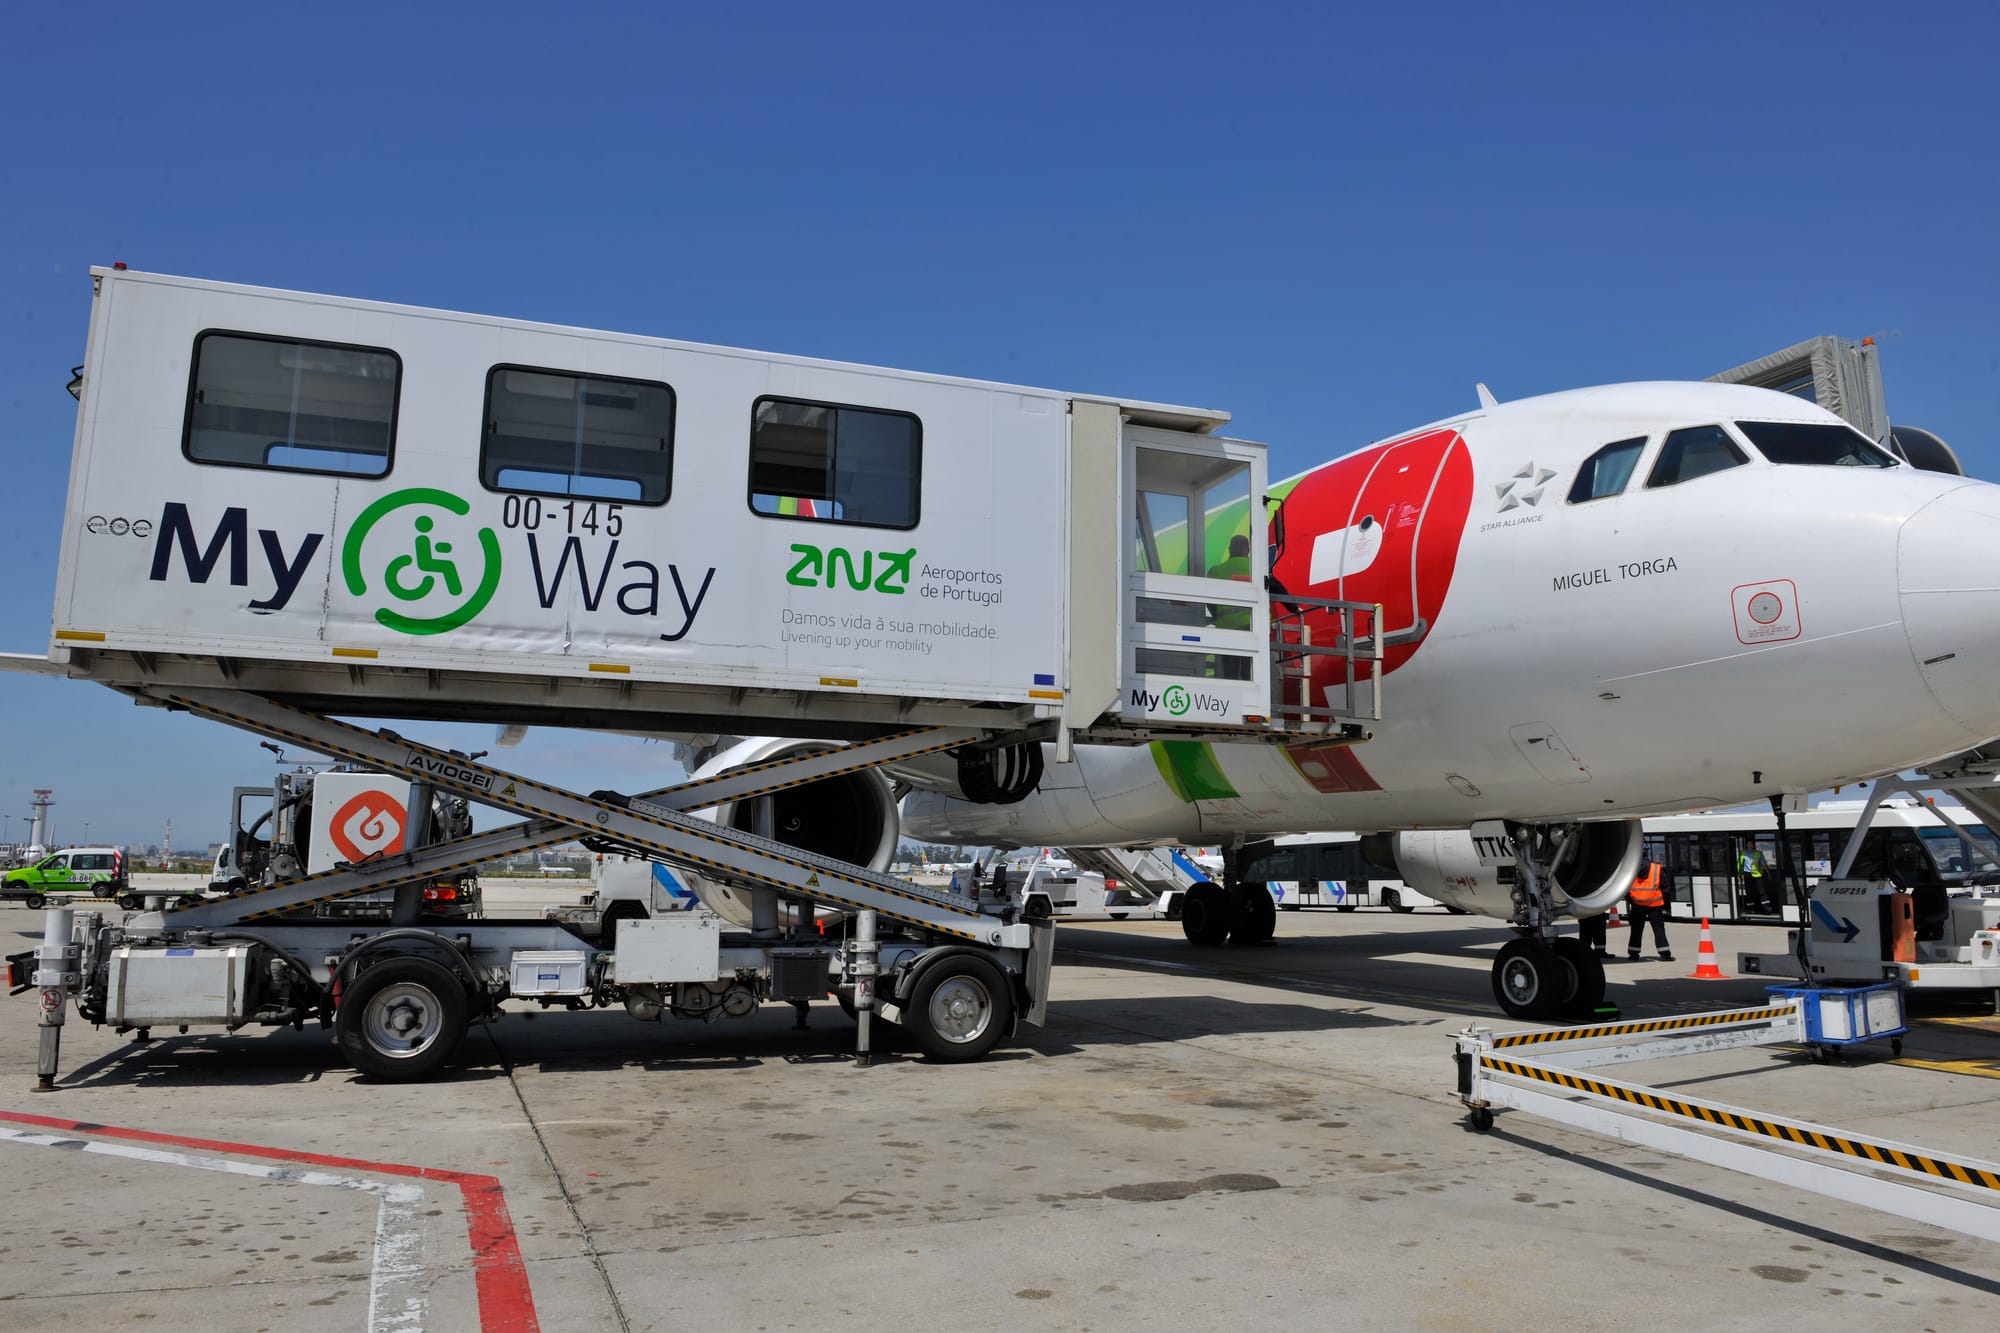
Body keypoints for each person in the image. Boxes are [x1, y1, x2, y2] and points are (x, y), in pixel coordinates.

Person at [1626, 860, 1673, 961]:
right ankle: (1665, 954)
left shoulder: (1630, 868)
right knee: (1659, 930)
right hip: (1655, 904)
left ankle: (1633, 953)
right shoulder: (1657, 868)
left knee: (1636, 930)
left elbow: (1625, 889)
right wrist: (1666, 904)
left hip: (1637, 904)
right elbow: (1665, 888)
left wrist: (1632, 901)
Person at [1207, 534, 1253, 630]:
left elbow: (1208, 600)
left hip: (1225, 627)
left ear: (1229, 549)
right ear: (1248, 550)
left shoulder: (1215, 571)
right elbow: (1274, 587)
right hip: (1251, 625)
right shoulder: (1257, 568)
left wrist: (1217, 617)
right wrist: (1292, 608)